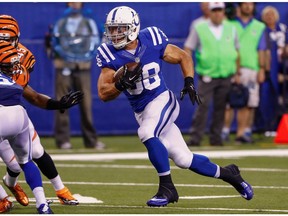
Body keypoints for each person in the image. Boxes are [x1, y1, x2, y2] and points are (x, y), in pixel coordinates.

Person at [96, 5, 253, 207]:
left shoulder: (151, 38)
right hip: (142, 111)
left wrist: (188, 81)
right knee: (183, 159)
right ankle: (230, 174)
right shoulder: (108, 53)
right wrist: (120, 83)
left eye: (120, 29)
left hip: (162, 100)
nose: (115, 34)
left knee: (147, 132)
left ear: (133, 27)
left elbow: (183, 56)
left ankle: (167, 188)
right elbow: (103, 93)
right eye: (112, 29)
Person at [0, 15, 80, 207]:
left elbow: (30, 94)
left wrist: (56, 104)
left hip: (11, 112)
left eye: (7, 40)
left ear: (16, 38)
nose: (2, 44)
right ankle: (3, 197)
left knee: (36, 151)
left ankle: (61, 190)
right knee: (14, 163)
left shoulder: (22, 58)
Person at [0, 40, 53, 214]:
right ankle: (42, 204)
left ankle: (3, 199)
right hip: (19, 115)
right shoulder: (18, 72)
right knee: (25, 162)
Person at [47, 2, 104, 149]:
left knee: (86, 105)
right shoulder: (60, 22)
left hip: (83, 66)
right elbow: (54, 42)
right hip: (63, 66)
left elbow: (96, 42)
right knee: (61, 103)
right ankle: (63, 140)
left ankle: (91, 141)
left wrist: (86, 55)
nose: (74, 3)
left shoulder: (89, 22)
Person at [184, 2, 240, 146]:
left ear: (223, 11)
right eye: (214, 10)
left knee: (221, 108)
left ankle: (216, 138)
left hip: (226, 73)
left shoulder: (231, 28)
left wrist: (237, 72)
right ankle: (196, 137)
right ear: (209, 12)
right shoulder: (199, 27)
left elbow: (237, 51)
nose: (217, 13)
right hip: (207, 74)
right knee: (202, 106)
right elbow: (188, 48)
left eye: (219, 10)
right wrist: (189, 68)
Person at [222, 2, 266, 144]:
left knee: (248, 103)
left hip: (252, 68)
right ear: (239, 7)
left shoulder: (260, 26)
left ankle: (241, 134)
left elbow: (262, 49)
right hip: (231, 68)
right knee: (227, 103)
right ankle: (224, 131)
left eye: (251, 4)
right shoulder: (230, 24)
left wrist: (262, 69)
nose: (248, 7)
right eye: (245, 4)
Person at [259, 6, 286, 135]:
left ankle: (280, 126)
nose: (270, 17)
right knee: (267, 98)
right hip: (269, 68)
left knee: (282, 99)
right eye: (267, 15)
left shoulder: (283, 29)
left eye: (272, 14)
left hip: (283, 68)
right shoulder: (262, 30)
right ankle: (268, 126)